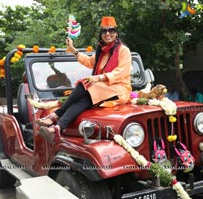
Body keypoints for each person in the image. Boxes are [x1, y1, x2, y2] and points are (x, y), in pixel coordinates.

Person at [37, 16, 132, 144]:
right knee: (84, 100)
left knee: (86, 83)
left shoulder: (123, 51)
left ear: (116, 33)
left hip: (119, 89)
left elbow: (121, 72)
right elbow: (88, 61)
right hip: (103, 89)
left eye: (111, 30)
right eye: (104, 31)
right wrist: (72, 49)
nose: (108, 34)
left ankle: (55, 115)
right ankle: (57, 128)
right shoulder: (102, 51)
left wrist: (98, 78)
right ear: (101, 34)